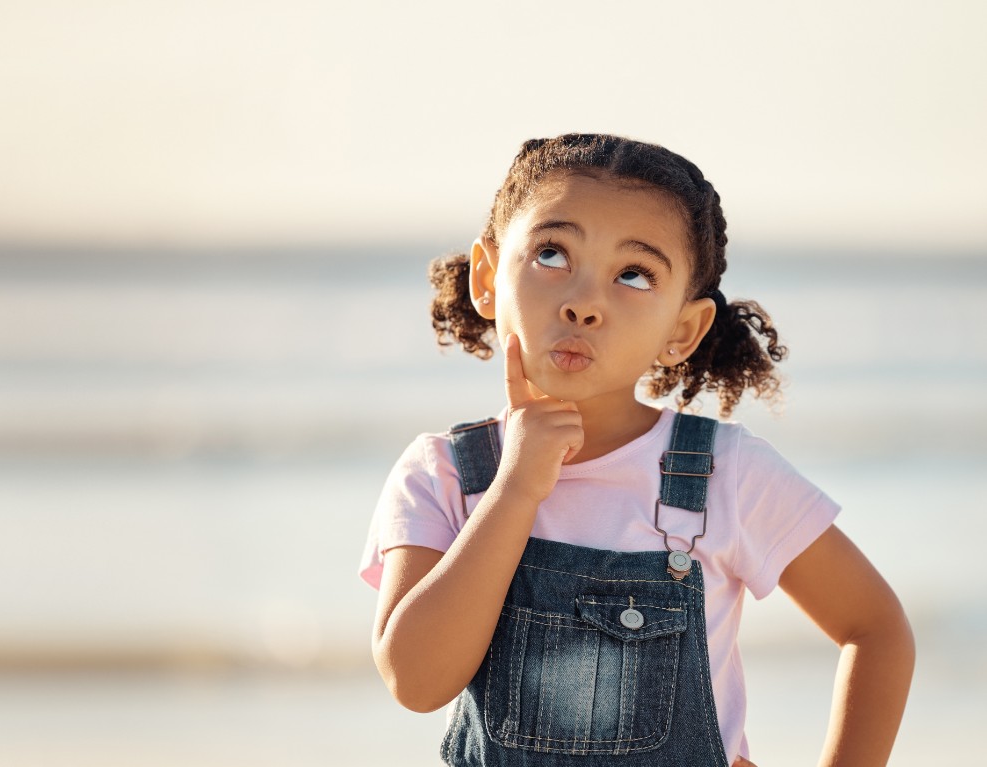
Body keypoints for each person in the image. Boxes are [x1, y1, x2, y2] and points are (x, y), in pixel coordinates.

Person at [358, 134, 914, 766]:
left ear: (683, 329)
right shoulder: (445, 474)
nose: (584, 303)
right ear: (488, 278)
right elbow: (416, 680)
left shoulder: (724, 474)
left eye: (633, 275)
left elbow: (876, 629)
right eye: (551, 254)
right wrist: (516, 487)